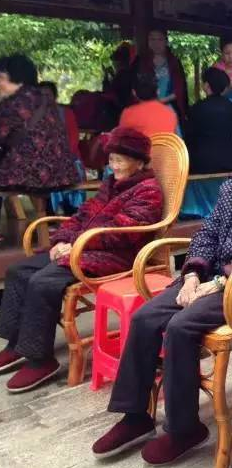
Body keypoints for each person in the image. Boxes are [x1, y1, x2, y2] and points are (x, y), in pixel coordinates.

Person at [93, 124, 232, 465]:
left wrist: (219, 283)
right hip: (211, 278)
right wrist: (192, 274)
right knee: (145, 316)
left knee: (181, 326)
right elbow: (207, 234)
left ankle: (184, 428)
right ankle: (135, 415)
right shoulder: (229, 189)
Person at [0, 127, 164, 393]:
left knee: (43, 282)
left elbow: (124, 232)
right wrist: (61, 240)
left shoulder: (148, 190)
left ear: (139, 162)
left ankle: (41, 360)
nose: (113, 166)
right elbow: (82, 215)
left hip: (115, 256)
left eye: (120, 160)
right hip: (82, 248)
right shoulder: (110, 184)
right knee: (18, 271)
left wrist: (75, 244)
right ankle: (17, 344)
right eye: (111, 160)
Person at [0, 54, 79, 192]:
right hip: (61, 174)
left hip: (32, 175)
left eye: (2, 78)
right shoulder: (43, 97)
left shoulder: (16, 102)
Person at [39, 80, 86, 216]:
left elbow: (73, 139)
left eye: (48, 95)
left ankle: (71, 213)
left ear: (55, 96)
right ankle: (51, 216)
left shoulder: (66, 113)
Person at [185, 67, 232, 174]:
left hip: (199, 166)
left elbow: (188, 138)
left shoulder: (196, 108)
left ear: (207, 86)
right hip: (227, 164)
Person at [133, 29, 188, 120]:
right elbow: (133, 86)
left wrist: (160, 101)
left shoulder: (174, 62)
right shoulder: (139, 62)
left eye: (160, 39)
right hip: (144, 110)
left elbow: (180, 89)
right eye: (152, 39)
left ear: (166, 41)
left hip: (169, 111)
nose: (156, 43)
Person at [119, 72, 178, 137]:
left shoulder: (128, 113)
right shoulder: (170, 113)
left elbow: (121, 139)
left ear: (134, 93)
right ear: (158, 91)